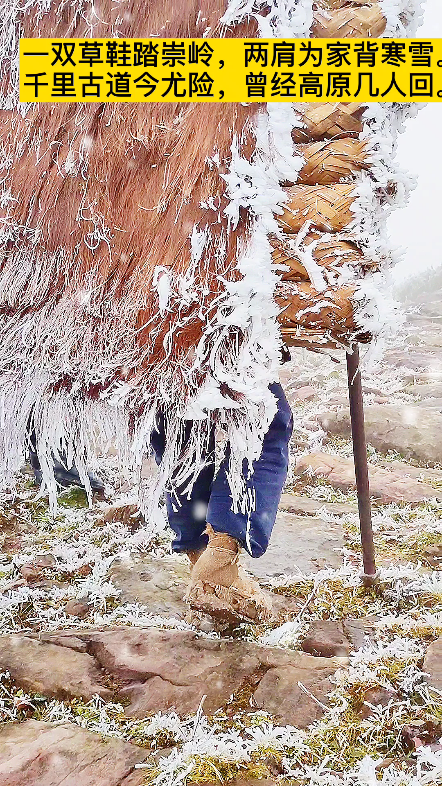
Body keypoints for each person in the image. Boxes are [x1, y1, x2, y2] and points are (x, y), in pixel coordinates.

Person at [151, 379, 293, 625]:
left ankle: (201, 555)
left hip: (144, 349)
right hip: (221, 341)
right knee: (265, 419)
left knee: (178, 414)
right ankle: (218, 561)